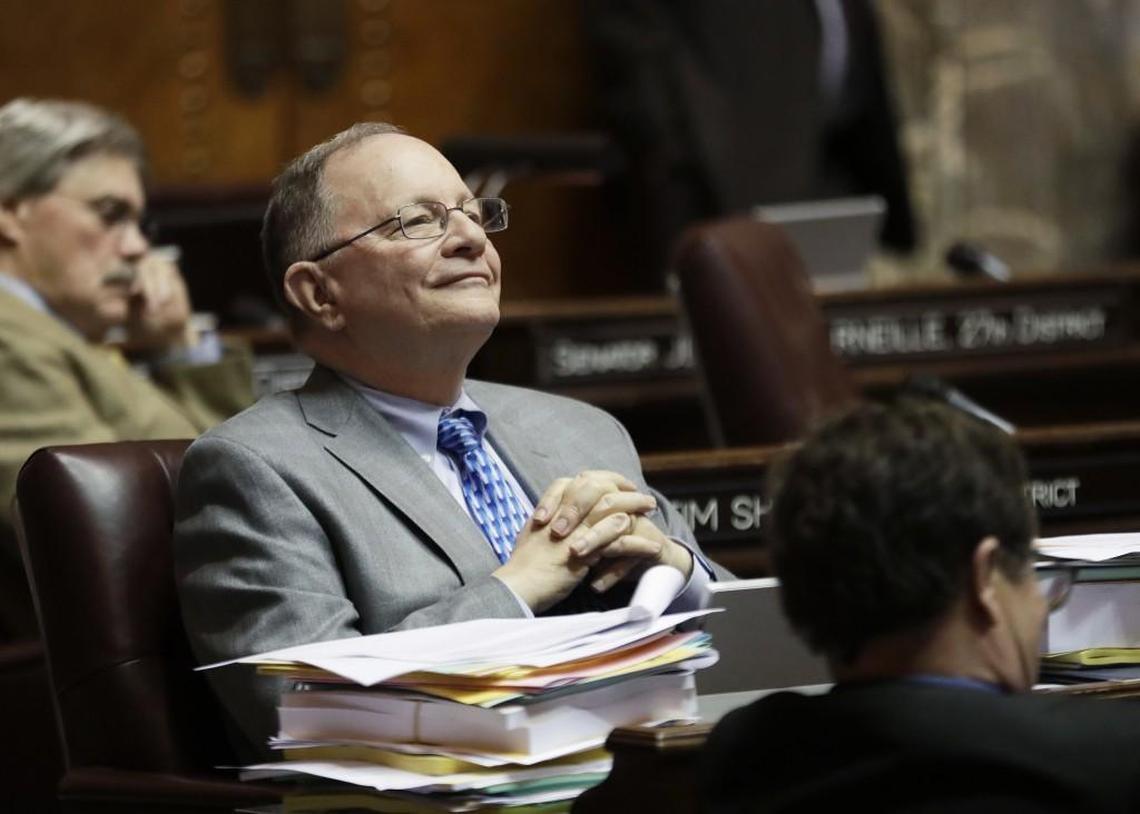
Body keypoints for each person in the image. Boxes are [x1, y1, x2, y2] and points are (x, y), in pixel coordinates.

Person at [174, 122, 726, 760]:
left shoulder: (581, 429)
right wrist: (517, 589)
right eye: (418, 221)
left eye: (475, 214)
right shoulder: (256, 467)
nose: (471, 239)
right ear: (319, 292)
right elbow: (301, 707)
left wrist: (673, 570)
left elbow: (752, 638)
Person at [700, 399, 1140, 813]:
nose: (1042, 606)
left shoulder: (746, 755)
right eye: (1030, 572)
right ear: (985, 577)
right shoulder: (1104, 755)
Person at [0, 98, 252, 638]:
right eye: (110, 214)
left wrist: (179, 343)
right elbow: (88, 533)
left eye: (139, 222)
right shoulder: (8, 337)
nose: (139, 247)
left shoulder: (67, 336)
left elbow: (247, 459)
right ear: (9, 211)